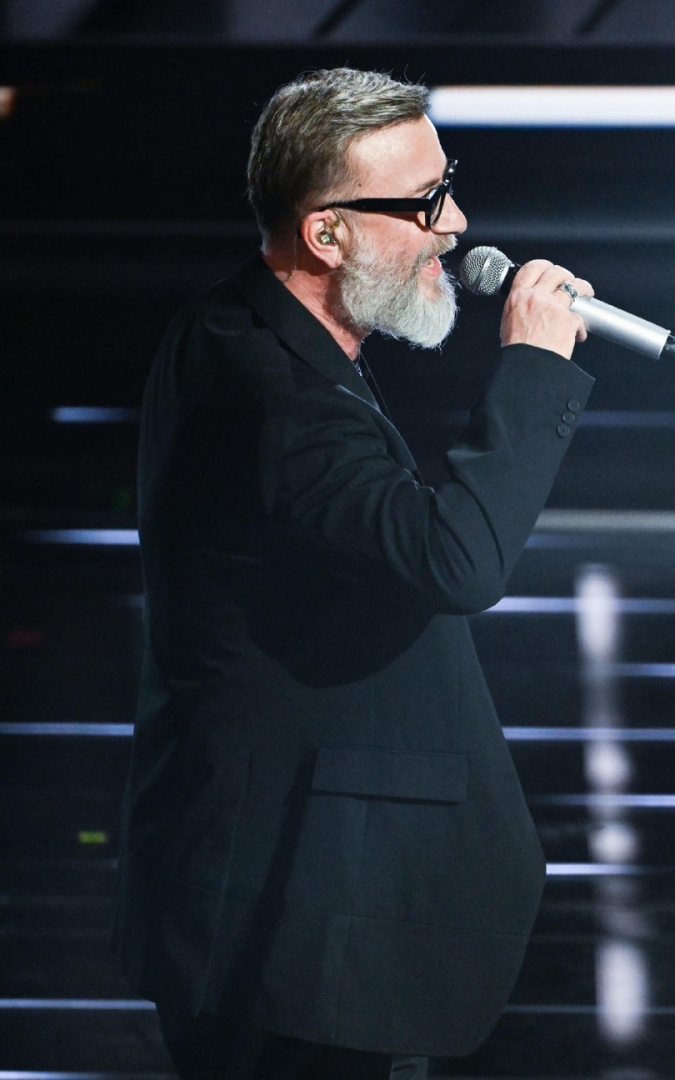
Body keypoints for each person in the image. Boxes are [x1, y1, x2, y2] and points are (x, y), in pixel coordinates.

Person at [112, 68, 596, 1079]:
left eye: (447, 185)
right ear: (327, 233)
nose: (454, 225)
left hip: (292, 907)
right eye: (424, 202)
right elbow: (454, 561)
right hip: (300, 926)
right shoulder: (276, 396)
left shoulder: (240, 330)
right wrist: (535, 369)